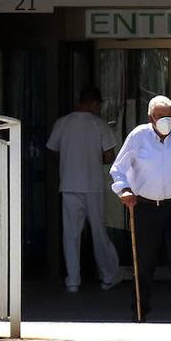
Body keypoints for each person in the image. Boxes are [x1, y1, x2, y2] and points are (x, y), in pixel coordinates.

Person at [110, 95, 171, 324]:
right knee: (144, 261)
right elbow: (117, 169)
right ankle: (139, 310)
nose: (167, 121)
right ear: (151, 117)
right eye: (162, 117)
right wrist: (124, 191)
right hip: (145, 206)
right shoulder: (138, 136)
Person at [46, 87, 121, 293]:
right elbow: (109, 155)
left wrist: (67, 159)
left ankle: (73, 281)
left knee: (71, 234)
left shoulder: (62, 123)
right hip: (93, 185)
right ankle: (109, 275)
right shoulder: (99, 125)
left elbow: (51, 149)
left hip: (69, 185)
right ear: (95, 104)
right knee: (98, 232)